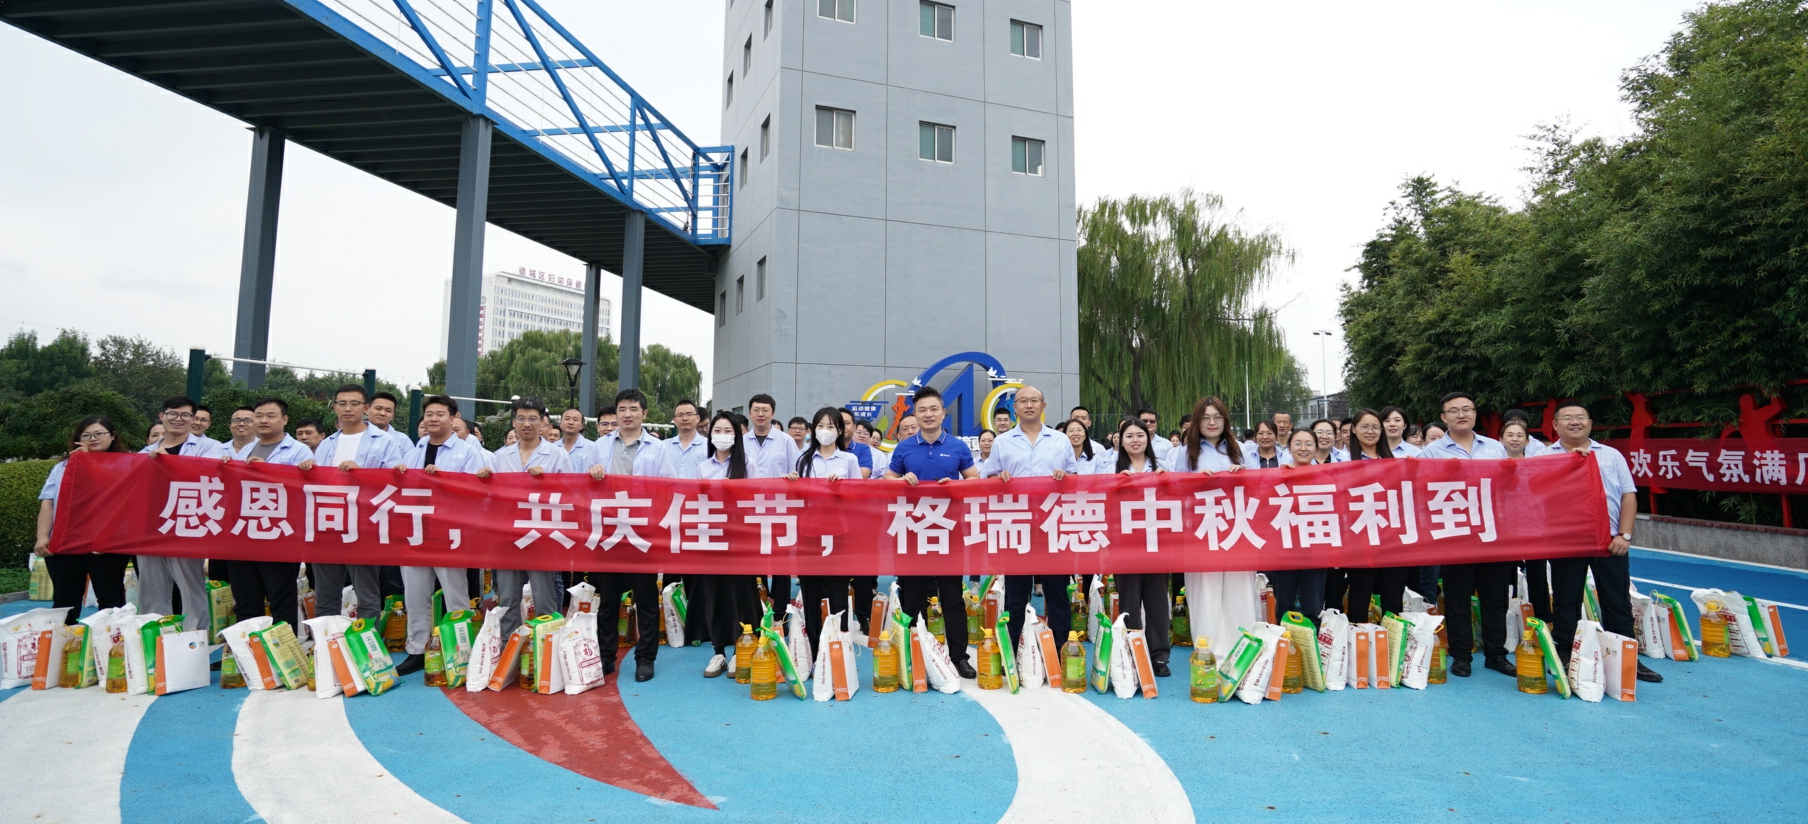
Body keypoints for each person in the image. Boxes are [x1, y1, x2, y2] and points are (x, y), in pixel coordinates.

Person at [1538, 401, 1662, 683]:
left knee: (1617, 601)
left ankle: (1626, 658)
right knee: (1566, 600)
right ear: (1555, 425)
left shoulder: (1611, 455)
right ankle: (1566, 653)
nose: (1575, 422)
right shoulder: (1544, 457)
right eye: (1567, 417)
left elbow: (1628, 495)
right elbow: (1535, 493)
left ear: (1590, 424)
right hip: (1567, 541)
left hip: (1610, 541)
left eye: (1580, 417)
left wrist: (1624, 535)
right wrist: (1569, 465)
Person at [574, 388, 673, 682]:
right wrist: (591, 475)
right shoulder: (599, 446)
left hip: (641, 531)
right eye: (622, 409)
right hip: (608, 531)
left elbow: (668, 486)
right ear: (615, 414)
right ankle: (606, 657)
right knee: (608, 600)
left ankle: (645, 659)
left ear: (644, 413)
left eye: (633, 409)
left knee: (645, 599)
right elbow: (579, 485)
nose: (627, 415)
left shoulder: (658, 448)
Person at [884, 386, 978, 678]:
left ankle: (959, 657)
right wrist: (901, 481)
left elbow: (974, 480)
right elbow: (887, 479)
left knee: (952, 599)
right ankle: (912, 654)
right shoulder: (904, 448)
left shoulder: (958, 447)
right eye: (922, 410)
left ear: (943, 413)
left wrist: (956, 484)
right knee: (913, 599)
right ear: (915, 414)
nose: (928, 414)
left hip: (948, 532)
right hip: (914, 532)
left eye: (933, 409)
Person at [393, 395, 490, 675]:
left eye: (440, 414)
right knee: (415, 595)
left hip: (448, 532)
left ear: (453, 417)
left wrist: (444, 478)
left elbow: (475, 491)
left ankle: (461, 650)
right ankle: (417, 649)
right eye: (429, 414)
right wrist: (399, 474)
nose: (433, 419)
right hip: (415, 531)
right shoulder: (414, 451)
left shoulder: (468, 452)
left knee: (455, 595)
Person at [1419, 391, 1513, 678]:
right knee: (1457, 597)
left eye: (1467, 409)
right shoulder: (1432, 453)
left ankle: (1496, 654)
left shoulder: (1495, 448)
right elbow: (1419, 490)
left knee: (1495, 597)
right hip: (1455, 534)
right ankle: (1461, 655)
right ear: (1444, 417)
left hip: (1492, 534)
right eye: (1454, 410)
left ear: (1474, 413)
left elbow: (1508, 486)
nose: (1461, 414)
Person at [299, 384, 404, 628]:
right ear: (334, 407)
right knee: (326, 593)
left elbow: (396, 480)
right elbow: (316, 483)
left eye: (354, 403)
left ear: (365, 408)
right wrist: (306, 470)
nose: (348, 408)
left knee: (366, 592)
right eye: (342, 403)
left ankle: (366, 642)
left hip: (363, 524)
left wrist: (363, 473)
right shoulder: (327, 444)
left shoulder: (384, 441)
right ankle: (327, 642)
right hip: (328, 523)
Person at [987, 386, 1078, 646]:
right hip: (1016, 525)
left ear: (1043, 406)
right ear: (1015, 407)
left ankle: (1061, 649)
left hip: (1052, 525)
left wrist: (1065, 477)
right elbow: (988, 478)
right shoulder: (1002, 441)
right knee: (1016, 596)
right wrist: (998, 478)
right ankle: (1013, 650)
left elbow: (1075, 477)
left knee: (1057, 592)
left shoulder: (1059, 440)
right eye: (1023, 401)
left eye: (1034, 400)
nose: (1029, 405)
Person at [1169, 397, 1256, 659]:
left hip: (1237, 530)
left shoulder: (1241, 450)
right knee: (1205, 595)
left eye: (1217, 417)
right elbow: (1175, 491)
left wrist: (1244, 475)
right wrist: (1193, 480)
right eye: (1206, 418)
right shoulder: (1186, 452)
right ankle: (1209, 656)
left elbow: (1258, 486)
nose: (1212, 423)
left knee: (1239, 593)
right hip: (1202, 531)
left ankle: (1242, 654)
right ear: (1197, 422)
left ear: (1225, 420)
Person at [138, 397, 228, 631]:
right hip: (151, 523)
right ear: (162, 416)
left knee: (190, 582)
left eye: (185, 415)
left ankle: (194, 634)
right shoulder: (145, 452)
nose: (178, 419)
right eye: (173, 414)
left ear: (192, 419)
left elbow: (212, 477)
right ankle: (154, 630)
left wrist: (170, 463)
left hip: (187, 520)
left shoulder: (210, 447)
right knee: (151, 582)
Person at [36, 416, 132, 625]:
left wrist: (89, 463)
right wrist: (43, 536)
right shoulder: (63, 466)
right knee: (64, 601)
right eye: (86, 435)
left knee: (111, 599)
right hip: (66, 542)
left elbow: (122, 500)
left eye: (99, 434)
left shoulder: (125, 464)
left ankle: (112, 642)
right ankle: (65, 642)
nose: (93, 438)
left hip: (107, 544)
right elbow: (48, 501)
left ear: (112, 436)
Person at [228, 398, 312, 630]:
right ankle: (248, 646)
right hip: (244, 532)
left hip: (279, 535)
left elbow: (304, 488)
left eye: (270, 416)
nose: (263, 420)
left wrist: (266, 470)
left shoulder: (299, 451)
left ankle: (284, 649)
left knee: (280, 599)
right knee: (245, 598)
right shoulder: (246, 449)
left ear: (284, 420)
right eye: (259, 415)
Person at [689, 411, 762, 677]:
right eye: (717, 431)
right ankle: (718, 651)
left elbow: (757, 499)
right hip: (711, 538)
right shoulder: (703, 467)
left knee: (741, 595)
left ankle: (741, 651)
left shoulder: (748, 464)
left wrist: (735, 491)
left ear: (737, 435)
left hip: (739, 539)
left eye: (728, 431)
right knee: (713, 594)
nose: (722, 436)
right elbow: (696, 501)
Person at [788, 407, 864, 646]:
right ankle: (813, 646)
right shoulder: (804, 459)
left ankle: (839, 644)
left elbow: (860, 496)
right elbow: (796, 498)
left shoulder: (849, 460)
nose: (825, 431)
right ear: (813, 430)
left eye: (830, 426)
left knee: (837, 589)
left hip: (837, 533)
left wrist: (843, 486)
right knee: (810, 591)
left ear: (840, 430)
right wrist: (792, 483)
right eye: (820, 426)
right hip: (808, 532)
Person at [1110, 416, 1175, 675]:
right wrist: (1115, 483)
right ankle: (1132, 652)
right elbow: (1096, 498)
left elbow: (1178, 496)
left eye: (1140, 435)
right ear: (1121, 441)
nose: (1135, 440)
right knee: (1129, 602)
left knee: (1157, 601)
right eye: (1129, 436)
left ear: (1148, 439)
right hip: (1124, 544)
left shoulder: (1162, 466)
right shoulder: (1110, 467)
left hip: (1157, 541)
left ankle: (1159, 656)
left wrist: (1168, 481)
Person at [1336, 409, 1404, 625]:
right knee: (1360, 593)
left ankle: (1394, 639)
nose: (1370, 431)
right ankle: (1359, 638)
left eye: (1375, 427)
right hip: (1359, 536)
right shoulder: (1342, 461)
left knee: (1393, 596)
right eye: (1364, 426)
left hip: (1391, 536)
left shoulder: (1395, 461)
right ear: (1354, 430)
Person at [742, 394, 800, 619]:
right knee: (754, 562)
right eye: (756, 410)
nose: (760, 414)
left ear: (773, 413)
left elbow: (797, 470)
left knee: (780, 564)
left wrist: (792, 477)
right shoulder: (741, 441)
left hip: (779, 509)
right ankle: (756, 611)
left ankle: (780, 613)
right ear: (749, 413)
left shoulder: (785, 441)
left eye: (765, 410)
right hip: (750, 510)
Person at [665, 399, 708, 478]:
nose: (685, 418)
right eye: (680, 415)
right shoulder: (664, 446)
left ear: (697, 418)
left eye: (689, 414)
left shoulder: (709, 445)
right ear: (674, 420)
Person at [838, 408, 875, 479]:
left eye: (847, 423)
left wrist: (838, 477)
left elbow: (862, 476)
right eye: (839, 423)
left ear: (854, 427)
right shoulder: (827, 447)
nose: (843, 427)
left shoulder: (863, 449)